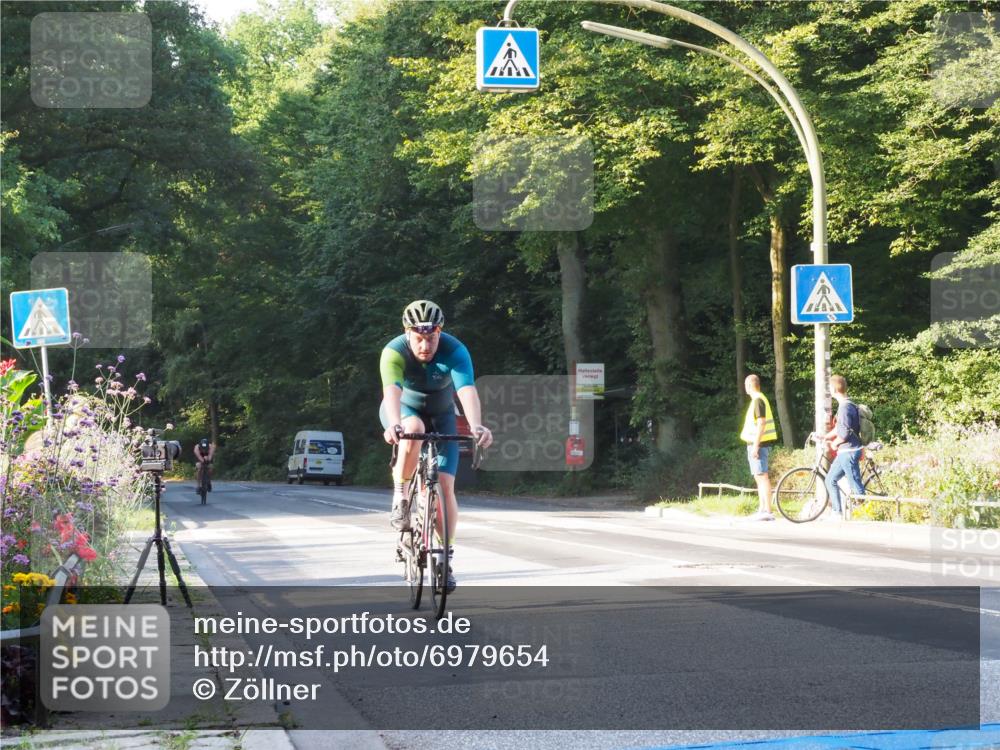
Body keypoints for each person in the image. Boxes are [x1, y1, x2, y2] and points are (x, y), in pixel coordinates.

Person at [379, 300, 493, 593]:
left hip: (442, 415)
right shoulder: (394, 351)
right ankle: (401, 495)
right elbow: (391, 391)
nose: (425, 344)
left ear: (440, 332)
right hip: (404, 411)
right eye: (418, 338)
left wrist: (477, 425)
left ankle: (445, 557)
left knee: (444, 486)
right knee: (413, 429)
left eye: (431, 337)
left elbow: (467, 390)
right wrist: (394, 424)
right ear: (407, 333)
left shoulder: (455, 350)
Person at [821, 374, 865, 520]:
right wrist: (825, 437)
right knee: (830, 479)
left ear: (834, 389)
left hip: (849, 451)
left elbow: (844, 433)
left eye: (829, 388)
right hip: (845, 451)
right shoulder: (848, 405)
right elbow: (841, 428)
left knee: (856, 487)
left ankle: (867, 513)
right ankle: (837, 512)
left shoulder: (845, 407)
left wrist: (834, 443)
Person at [740, 374, 779, 521]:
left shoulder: (758, 401)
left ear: (749, 386)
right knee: (759, 477)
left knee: (762, 477)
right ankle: (762, 509)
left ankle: (768, 511)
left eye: (746, 385)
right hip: (757, 444)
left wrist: (755, 446)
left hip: (759, 445)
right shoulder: (759, 400)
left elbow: (761, 423)